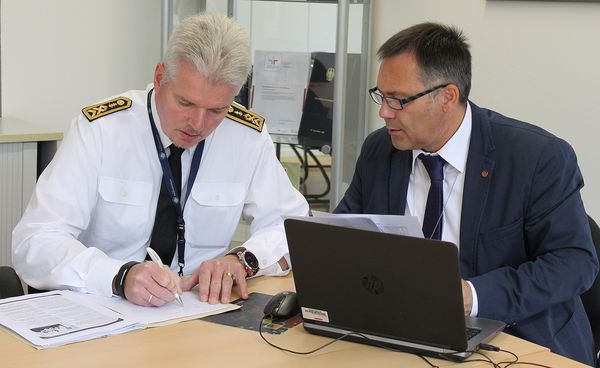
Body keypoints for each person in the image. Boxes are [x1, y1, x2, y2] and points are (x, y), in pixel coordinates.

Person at [334, 22, 597, 365]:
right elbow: (341, 233)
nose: (384, 112)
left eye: (397, 100)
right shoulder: (380, 150)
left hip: (514, 339)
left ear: (447, 97)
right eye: (381, 96)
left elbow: (575, 263)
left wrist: (472, 296)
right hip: (400, 329)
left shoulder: (537, 158)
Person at [12, 13, 309, 308]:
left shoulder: (246, 137)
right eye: (185, 103)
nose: (198, 123)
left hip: (196, 312)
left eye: (217, 110)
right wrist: (119, 275)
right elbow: (35, 242)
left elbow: (292, 226)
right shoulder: (101, 131)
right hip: (101, 308)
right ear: (159, 77)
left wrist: (243, 259)